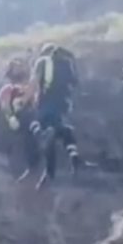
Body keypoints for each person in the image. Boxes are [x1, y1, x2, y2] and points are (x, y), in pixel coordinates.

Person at [29, 43, 84, 187]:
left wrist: (27, 99)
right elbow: (75, 83)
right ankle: (73, 156)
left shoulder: (42, 62)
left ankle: (44, 137)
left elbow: (34, 83)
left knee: (35, 125)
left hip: (46, 101)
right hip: (64, 103)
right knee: (60, 128)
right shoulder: (67, 63)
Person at [0, 59, 39, 180]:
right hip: (15, 121)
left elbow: (35, 100)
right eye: (16, 67)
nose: (20, 68)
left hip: (28, 119)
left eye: (21, 66)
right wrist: (11, 118)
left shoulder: (29, 88)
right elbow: (5, 106)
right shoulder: (7, 89)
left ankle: (34, 165)